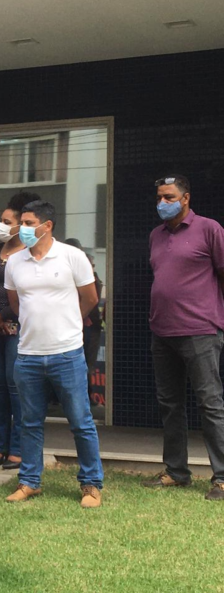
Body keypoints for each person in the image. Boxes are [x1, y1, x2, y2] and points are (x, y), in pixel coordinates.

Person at [3, 201, 104, 508]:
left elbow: (90, 298)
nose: (23, 228)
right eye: (21, 222)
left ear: (47, 226)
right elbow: (16, 303)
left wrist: (67, 321)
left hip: (67, 353)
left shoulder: (72, 256)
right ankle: (30, 481)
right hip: (28, 355)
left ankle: (91, 485)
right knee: (30, 421)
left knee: (81, 421)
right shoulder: (14, 262)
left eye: (29, 222)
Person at [142, 174, 224, 500]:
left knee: (211, 404)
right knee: (170, 405)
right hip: (162, 332)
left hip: (201, 332)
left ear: (185, 198)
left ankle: (221, 478)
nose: (162, 203)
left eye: (169, 197)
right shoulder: (155, 235)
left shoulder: (209, 229)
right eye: (159, 197)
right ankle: (177, 472)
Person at [0, 191, 40, 471]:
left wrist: (3, 315)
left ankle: (17, 449)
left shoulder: (29, 253)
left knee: (16, 387)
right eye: (1, 220)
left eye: (7, 221)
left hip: (17, 327)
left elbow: (27, 292)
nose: (1, 225)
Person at [64, 238, 104, 405]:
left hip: (87, 326)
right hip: (71, 326)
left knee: (85, 364)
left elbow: (92, 298)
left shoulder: (88, 275)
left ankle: (85, 396)